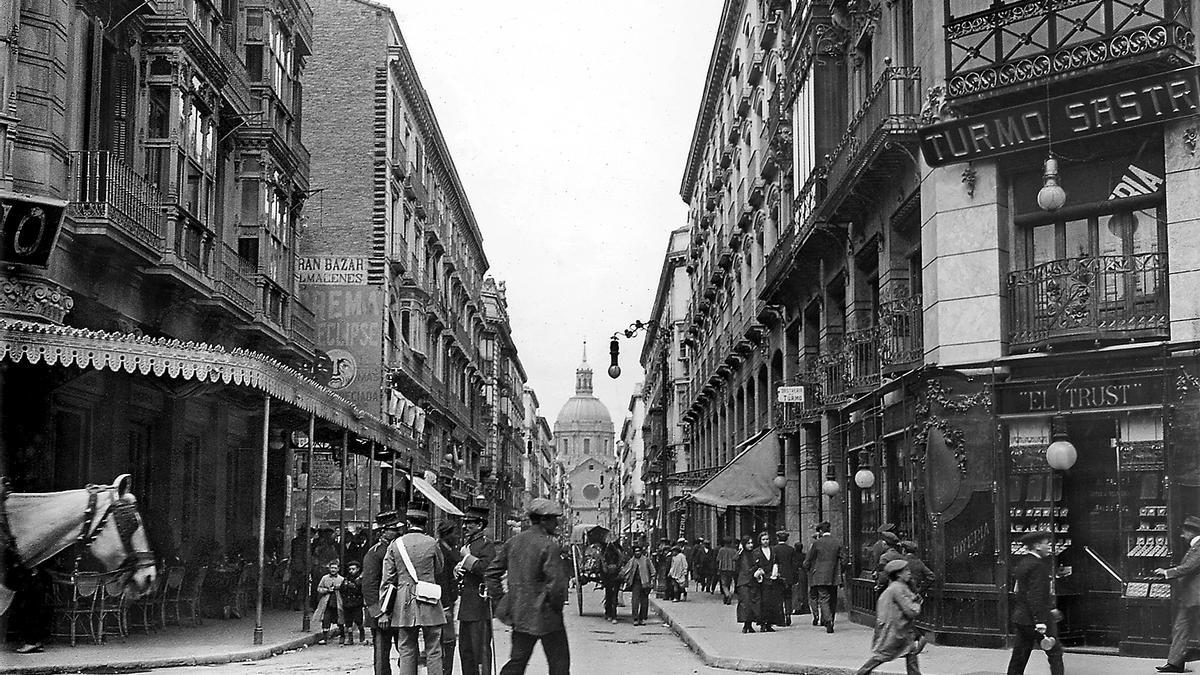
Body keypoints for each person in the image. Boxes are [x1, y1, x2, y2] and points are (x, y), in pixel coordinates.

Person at [485, 497, 570, 675]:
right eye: (554, 519)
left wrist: (501, 601)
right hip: (548, 617)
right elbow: (557, 586)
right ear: (543, 520)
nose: (556, 524)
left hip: (521, 615)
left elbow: (491, 573)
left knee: (517, 662)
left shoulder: (513, 542)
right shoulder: (549, 546)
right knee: (559, 665)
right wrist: (555, 607)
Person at [380, 508, 447, 675]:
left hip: (404, 602)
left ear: (408, 523)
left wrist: (384, 609)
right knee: (434, 648)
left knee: (406, 647)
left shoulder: (396, 544)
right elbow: (439, 569)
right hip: (429, 598)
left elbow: (387, 578)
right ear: (425, 523)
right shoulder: (432, 543)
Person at [1006, 530, 1063, 675]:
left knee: (1019, 655)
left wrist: (1051, 608)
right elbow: (1035, 595)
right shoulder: (1038, 566)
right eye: (1046, 543)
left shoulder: (1023, 563)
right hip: (1036, 620)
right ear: (1037, 546)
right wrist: (1040, 621)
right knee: (1055, 652)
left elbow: (1019, 590)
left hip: (1022, 618)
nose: (1049, 546)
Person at [856, 559, 923, 675]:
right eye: (906, 570)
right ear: (898, 574)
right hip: (895, 630)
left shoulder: (898, 586)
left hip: (901, 628)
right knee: (884, 655)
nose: (909, 572)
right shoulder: (897, 588)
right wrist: (917, 604)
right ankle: (862, 672)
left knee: (910, 652)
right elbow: (910, 610)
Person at [1154, 515, 1200, 673]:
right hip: (1191, 597)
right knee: (1181, 627)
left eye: (1184, 532)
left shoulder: (1199, 547)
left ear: (1192, 532)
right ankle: (1175, 663)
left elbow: (1190, 567)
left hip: (1196, 597)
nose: (1182, 535)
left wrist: (1167, 572)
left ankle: (1175, 663)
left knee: (1182, 627)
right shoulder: (1195, 547)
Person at [456, 504, 496, 675]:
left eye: (469, 523)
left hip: (479, 606)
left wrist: (466, 558)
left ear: (480, 525)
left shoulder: (487, 545)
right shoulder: (469, 544)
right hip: (467, 606)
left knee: (480, 652)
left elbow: (486, 569)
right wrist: (458, 569)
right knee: (465, 651)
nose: (465, 526)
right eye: (465, 523)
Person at [364, 511, 403, 674]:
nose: (398, 532)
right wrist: (380, 614)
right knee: (381, 656)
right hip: (383, 613)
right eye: (393, 529)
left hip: (400, 610)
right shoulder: (374, 553)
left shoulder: (399, 549)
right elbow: (369, 586)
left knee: (406, 652)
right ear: (383, 532)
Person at [804, 521, 843, 633]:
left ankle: (828, 621)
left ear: (821, 531)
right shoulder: (837, 542)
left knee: (824, 598)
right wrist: (840, 571)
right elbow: (844, 559)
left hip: (819, 576)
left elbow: (808, 559)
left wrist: (808, 569)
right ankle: (831, 619)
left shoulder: (817, 543)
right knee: (833, 599)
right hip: (834, 575)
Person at [437, 520, 462, 675]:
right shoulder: (440, 551)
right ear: (446, 534)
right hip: (443, 603)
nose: (457, 536)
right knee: (447, 640)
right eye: (454, 533)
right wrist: (446, 605)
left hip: (449, 601)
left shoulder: (450, 549)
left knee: (447, 640)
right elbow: (441, 580)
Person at [751, 531, 784, 632]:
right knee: (763, 602)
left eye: (767, 539)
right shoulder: (756, 552)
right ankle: (762, 623)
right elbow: (754, 565)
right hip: (762, 580)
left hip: (772, 578)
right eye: (763, 539)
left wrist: (776, 570)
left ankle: (770, 623)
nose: (765, 541)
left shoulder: (773, 550)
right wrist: (758, 572)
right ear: (760, 541)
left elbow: (777, 562)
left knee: (772, 602)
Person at [621, 543, 655, 625]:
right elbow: (626, 570)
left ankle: (642, 618)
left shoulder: (646, 560)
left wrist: (652, 580)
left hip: (645, 583)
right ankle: (635, 618)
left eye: (638, 551)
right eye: (636, 551)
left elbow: (652, 570)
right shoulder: (632, 561)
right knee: (635, 601)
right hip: (635, 583)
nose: (637, 553)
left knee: (644, 602)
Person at [314, 560, 347, 645]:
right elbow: (319, 588)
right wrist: (326, 590)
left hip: (338, 602)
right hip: (327, 602)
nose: (333, 570)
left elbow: (345, 591)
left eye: (335, 568)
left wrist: (339, 588)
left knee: (340, 620)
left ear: (338, 569)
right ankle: (325, 638)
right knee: (326, 620)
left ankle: (342, 636)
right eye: (331, 568)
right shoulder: (325, 578)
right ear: (329, 568)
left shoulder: (341, 579)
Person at [735, 536, 760, 633]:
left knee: (752, 603)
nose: (750, 545)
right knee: (745, 603)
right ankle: (746, 624)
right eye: (748, 543)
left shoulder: (754, 554)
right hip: (743, 582)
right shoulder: (741, 554)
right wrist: (740, 550)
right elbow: (735, 558)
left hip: (753, 581)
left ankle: (750, 624)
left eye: (751, 543)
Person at [773, 532, 796, 624]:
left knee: (779, 596)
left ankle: (781, 616)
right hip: (789, 575)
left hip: (778, 575)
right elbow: (794, 564)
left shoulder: (774, 549)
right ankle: (788, 614)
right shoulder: (791, 549)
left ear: (778, 538)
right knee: (788, 596)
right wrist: (794, 576)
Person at [343, 560, 367, 645]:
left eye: (353, 569)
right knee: (348, 622)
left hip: (357, 603)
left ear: (358, 569)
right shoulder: (346, 579)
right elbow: (342, 589)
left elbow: (363, 590)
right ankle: (350, 638)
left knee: (358, 620)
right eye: (350, 569)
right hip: (347, 603)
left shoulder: (361, 579)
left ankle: (362, 635)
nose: (351, 571)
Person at [600, 540, 624, 623]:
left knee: (615, 596)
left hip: (616, 574)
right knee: (608, 593)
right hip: (607, 576)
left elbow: (620, 559)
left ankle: (614, 615)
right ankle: (608, 612)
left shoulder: (618, 552)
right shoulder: (605, 552)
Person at [791, 535, 809, 617]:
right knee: (804, 591)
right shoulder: (804, 555)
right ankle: (805, 607)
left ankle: (797, 607)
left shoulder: (794, 556)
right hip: (803, 573)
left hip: (796, 573)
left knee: (796, 591)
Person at [717, 538, 738, 604]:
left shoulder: (722, 550)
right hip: (732, 569)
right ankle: (726, 598)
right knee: (728, 583)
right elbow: (737, 559)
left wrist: (718, 569)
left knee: (724, 584)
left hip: (723, 568)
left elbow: (719, 559)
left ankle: (728, 594)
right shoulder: (734, 550)